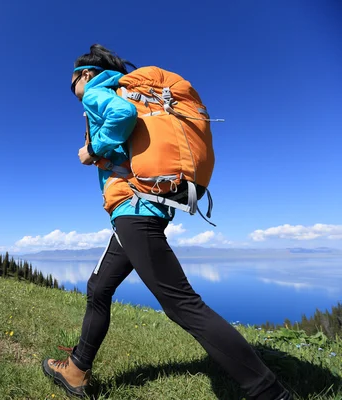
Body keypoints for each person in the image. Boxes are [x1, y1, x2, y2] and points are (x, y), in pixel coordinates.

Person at [41, 44, 292, 400]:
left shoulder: (98, 92)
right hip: (140, 209)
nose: (73, 91)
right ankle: (77, 371)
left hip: (134, 209)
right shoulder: (132, 89)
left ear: (85, 74)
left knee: (181, 304)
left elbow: (123, 114)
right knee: (98, 288)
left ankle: (269, 392)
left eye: (72, 83)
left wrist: (93, 150)